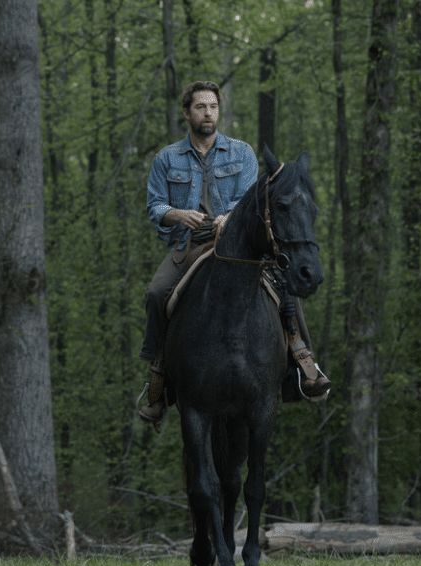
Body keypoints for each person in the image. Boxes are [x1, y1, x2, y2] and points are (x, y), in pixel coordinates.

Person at [137, 81, 331, 425]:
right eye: (200, 107)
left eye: (213, 106)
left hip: (236, 242)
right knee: (156, 293)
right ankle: (159, 372)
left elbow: (249, 199)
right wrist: (177, 214)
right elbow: (154, 205)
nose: (208, 112)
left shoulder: (241, 152)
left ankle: (303, 361)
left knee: (284, 286)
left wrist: (229, 218)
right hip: (189, 244)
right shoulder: (166, 159)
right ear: (187, 113)